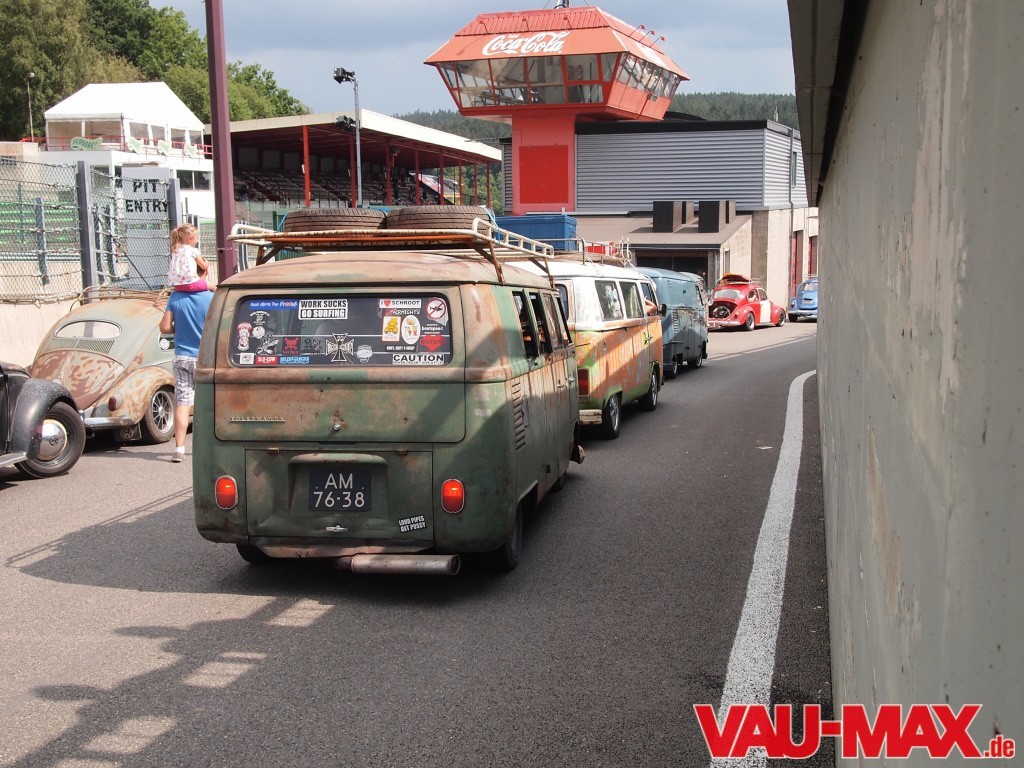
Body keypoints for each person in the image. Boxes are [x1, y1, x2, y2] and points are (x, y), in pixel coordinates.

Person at [159, 288, 213, 462]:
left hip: (182, 357)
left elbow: (165, 327)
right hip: (205, 357)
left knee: (183, 403)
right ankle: (208, 448)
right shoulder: (211, 297)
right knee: (208, 403)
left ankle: (179, 449)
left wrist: (178, 328)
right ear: (205, 274)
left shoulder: (176, 296)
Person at [167, 223, 211, 292]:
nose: (197, 240)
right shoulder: (193, 250)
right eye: (197, 238)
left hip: (177, 286)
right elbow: (204, 266)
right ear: (190, 239)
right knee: (213, 287)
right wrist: (207, 262)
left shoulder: (175, 251)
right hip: (191, 284)